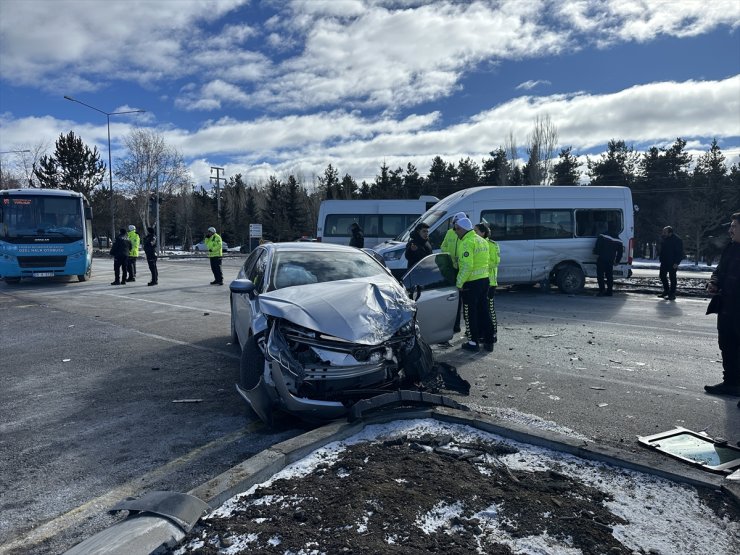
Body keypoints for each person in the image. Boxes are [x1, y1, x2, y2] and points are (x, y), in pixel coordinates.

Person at [704, 212, 740, 398]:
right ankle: (731, 383)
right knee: (727, 344)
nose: (730, 230)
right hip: (726, 306)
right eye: (731, 226)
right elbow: (719, 271)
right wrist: (714, 282)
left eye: (734, 226)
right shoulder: (731, 248)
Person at [455, 217, 494, 352]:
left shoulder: (467, 242)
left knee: (470, 313)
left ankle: (473, 342)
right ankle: (489, 341)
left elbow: (467, 265)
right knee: (484, 311)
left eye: (456, 229)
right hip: (484, 280)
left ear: (461, 229)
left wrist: (459, 283)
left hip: (471, 283)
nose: (455, 232)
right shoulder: (482, 240)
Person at [441, 212, 467, 333]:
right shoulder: (450, 233)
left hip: (462, 268)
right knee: (453, 298)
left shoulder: (465, 234)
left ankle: (458, 325)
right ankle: (453, 324)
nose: (455, 226)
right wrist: (450, 257)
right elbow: (443, 247)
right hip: (452, 269)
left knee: (461, 299)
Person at [475, 222, 500, 344]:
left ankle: (493, 332)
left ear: (483, 232)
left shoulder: (492, 245)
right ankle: (481, 332)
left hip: (490, 282)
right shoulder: (476, 243)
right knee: (481, 309)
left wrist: (480, 264)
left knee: (489, 308)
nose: (474, 233)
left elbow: (494, 262)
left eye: (476, 231)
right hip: (480, 281)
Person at [592, 222, 624, 296]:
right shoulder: (619, 240)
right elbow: (620, 253)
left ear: (608, 227)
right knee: (609, 276)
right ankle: (609, 291)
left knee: (600, 275)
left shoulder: (602, 235)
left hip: (602, 259)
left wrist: (596, 252)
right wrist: (617, 261)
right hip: (610, 260)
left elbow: (597, 246)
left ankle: (602, 290)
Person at [657, 226, 684, 300]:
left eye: (665, 232)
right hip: (664, 261)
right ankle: (666, 291)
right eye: (663, 232)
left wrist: (677, 262)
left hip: (673, 262)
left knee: (672, 278)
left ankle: (672, 294)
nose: (663, 233)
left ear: (670, 233)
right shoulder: (664, 239)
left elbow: (680, 253)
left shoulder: (677, 240)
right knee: (662, 276)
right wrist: (661, 258)